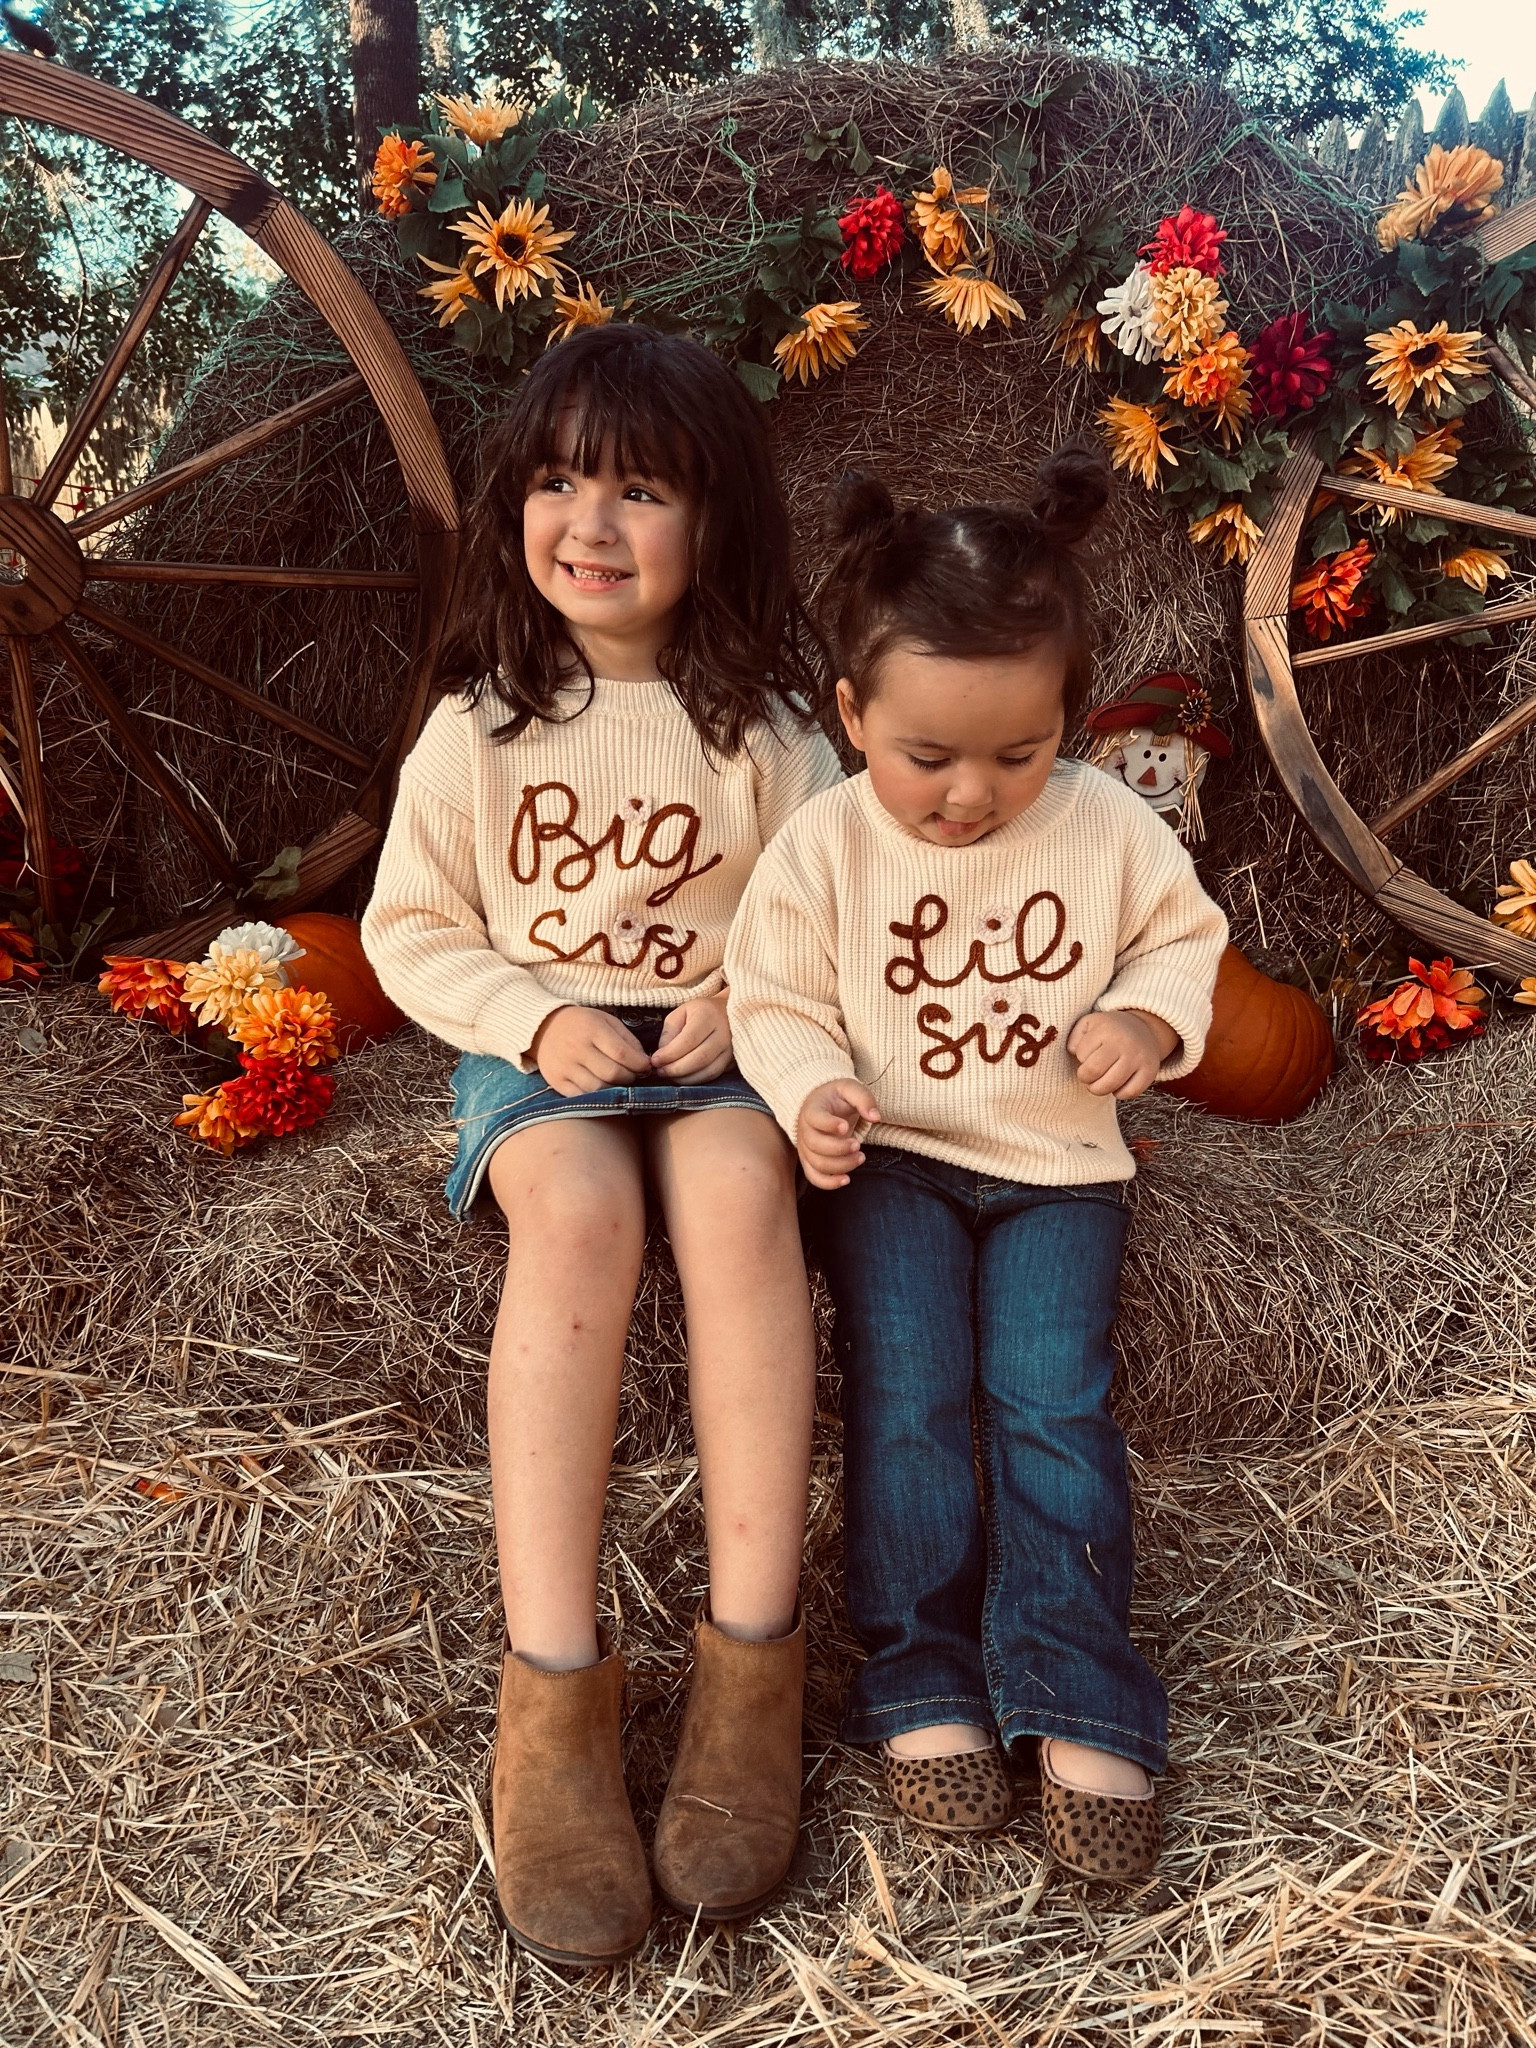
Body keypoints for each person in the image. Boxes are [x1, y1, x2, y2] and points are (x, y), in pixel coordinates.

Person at [362, 325, 843, 1963]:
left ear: (717, 524)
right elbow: (407, 928)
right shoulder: (479, 729)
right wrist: (524, 1013)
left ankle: (750, 1672)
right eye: (561, 480)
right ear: (516, 505)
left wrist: (749, 993)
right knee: (576, 1217)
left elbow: (826, 919)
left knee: (734, 1194)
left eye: (642, 488)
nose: (592, 520)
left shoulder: (773, 734)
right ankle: (551, 1704)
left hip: (716, 1060)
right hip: (547, 1056)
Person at [725, 447, 1227, 1879]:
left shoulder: (1108, 823)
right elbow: (773, 989)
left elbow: (1182, 941)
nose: (967, 796)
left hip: (1060, 1169)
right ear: (851, 715)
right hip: (894, 1168)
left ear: (1066, 716)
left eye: (1017, 754)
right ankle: (923, 1678)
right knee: (910, 1411)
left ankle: (1078, 1686)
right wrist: (814, 1085)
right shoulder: (823, 845)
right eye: (926, 758)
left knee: (1055, 1410)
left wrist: (1145, 1017)